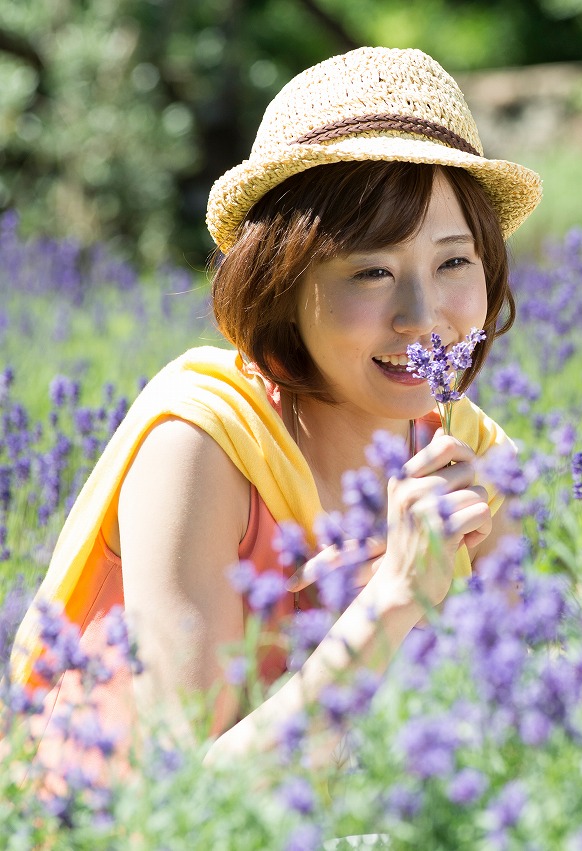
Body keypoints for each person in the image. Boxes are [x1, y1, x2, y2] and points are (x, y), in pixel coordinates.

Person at [6, 46, 542, 785]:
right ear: (283, 285)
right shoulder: (201, 445)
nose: (422, 319)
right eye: (371, 271)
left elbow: (515, 740)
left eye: (454, 262)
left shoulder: (473, 454)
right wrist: (390, 599)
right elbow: (180, 796)